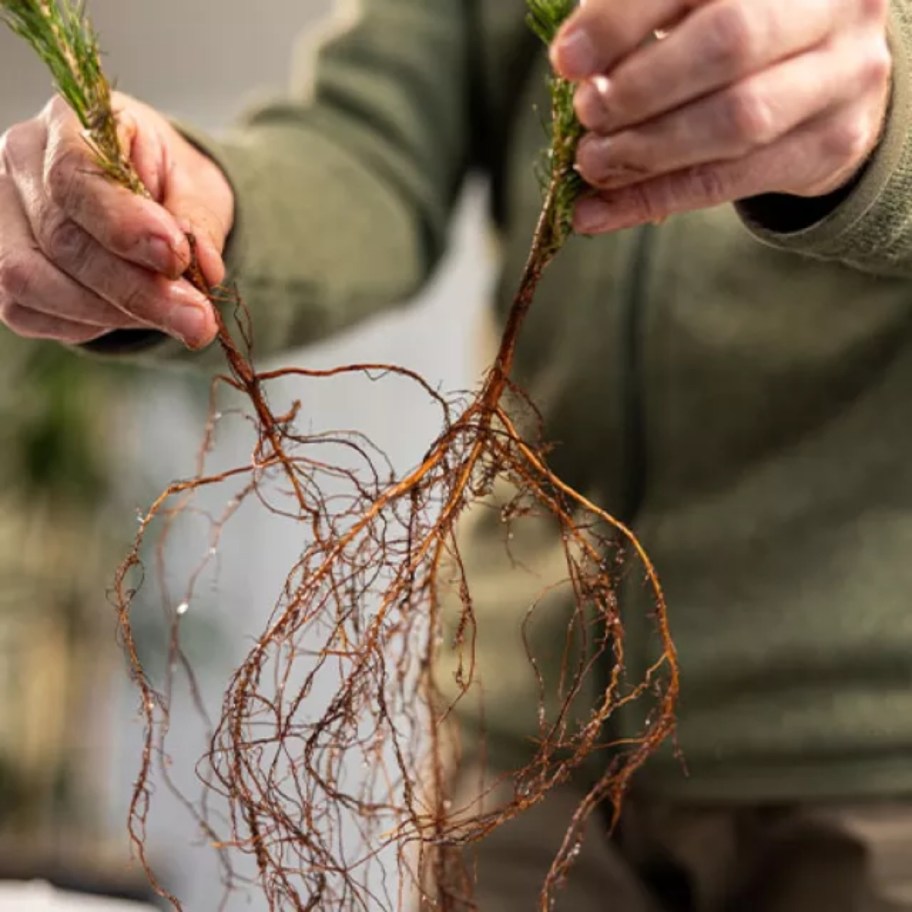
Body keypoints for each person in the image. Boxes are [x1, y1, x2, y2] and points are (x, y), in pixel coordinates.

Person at [1, 0, 911, 908]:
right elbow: (371, 146)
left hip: (873, 762)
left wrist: (880, 136)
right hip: (526, 752)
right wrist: (195, 213)